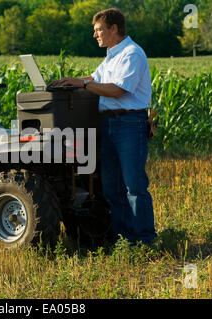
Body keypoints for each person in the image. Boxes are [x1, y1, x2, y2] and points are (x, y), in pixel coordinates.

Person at [49, 8, 156, 245]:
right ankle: (123, 240)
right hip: (109, 124)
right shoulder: (112, 56)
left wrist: (84, 85)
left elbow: (117, 89)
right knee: (111, 189)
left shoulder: (132, 54)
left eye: (98, 30)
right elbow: (96, 78)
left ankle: (145, 241)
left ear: (113, 29)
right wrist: (74, 81)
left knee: (134, 187)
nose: (95, 35)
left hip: (129, 123)